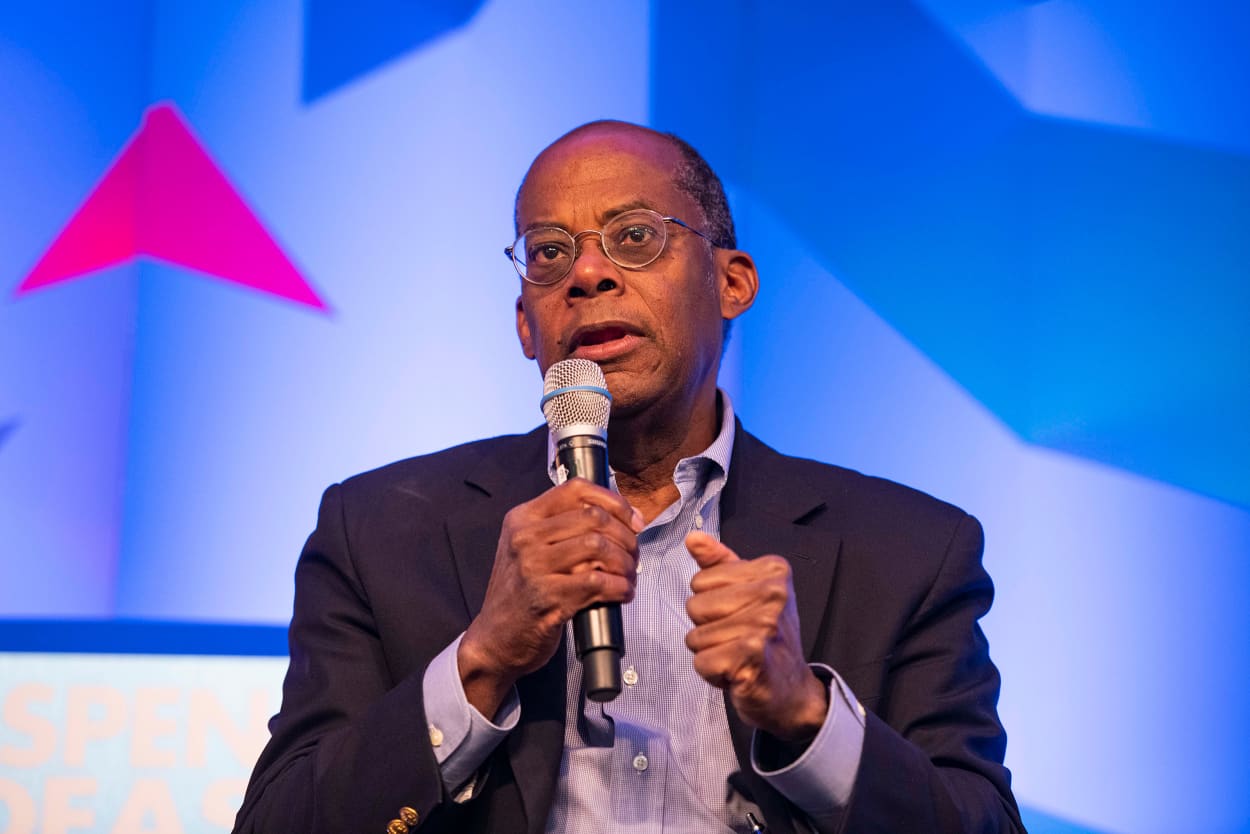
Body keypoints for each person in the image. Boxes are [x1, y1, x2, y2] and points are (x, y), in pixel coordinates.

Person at [233, 121, 1024, 834]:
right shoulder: (378, 531)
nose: (586, 274)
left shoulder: (908, 551)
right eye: (549, 253)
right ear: (525, 324)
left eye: (635, 237)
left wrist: (809, 716)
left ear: (732, 283)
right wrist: (481, 659)